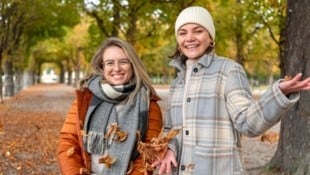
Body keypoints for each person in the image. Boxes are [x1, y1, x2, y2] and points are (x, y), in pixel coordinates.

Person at [152, 6, 310, 175]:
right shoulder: (177, 83)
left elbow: (248, 123)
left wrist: (278, 95)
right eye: (182, 33)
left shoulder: (229, 70)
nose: (189, 38)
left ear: (211, 37)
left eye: (198, 31)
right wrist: (170, 149)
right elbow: (170, 129)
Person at [56, 37, 163, 175]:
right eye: (110, 63)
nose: (116, 68)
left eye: (124, 62)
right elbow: (67, 143)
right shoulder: (86, 98)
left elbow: (150, 152)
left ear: (133, 65)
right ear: (102, 66)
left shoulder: (148, 104)